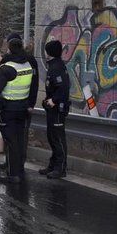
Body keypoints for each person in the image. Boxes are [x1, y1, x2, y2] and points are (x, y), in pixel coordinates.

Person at [0, 34, 39, 184]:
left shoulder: (6, 68)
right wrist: (30, 104)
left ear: (9, 49)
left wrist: (0, 107)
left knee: (11, 142)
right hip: (23, 108)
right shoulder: (28, 64)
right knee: (19, 141)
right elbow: (34, 85)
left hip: (9, 110)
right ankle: (19, 170)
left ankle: (13, 174)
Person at [42, 39, 70, 179]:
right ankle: (53, 165)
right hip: (51, 108)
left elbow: (63, 87)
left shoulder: (57, 67)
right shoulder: (53, 65)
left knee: (58, 138)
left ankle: (61, 168)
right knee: (52, 137)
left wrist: (54, 100)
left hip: (57, 108)